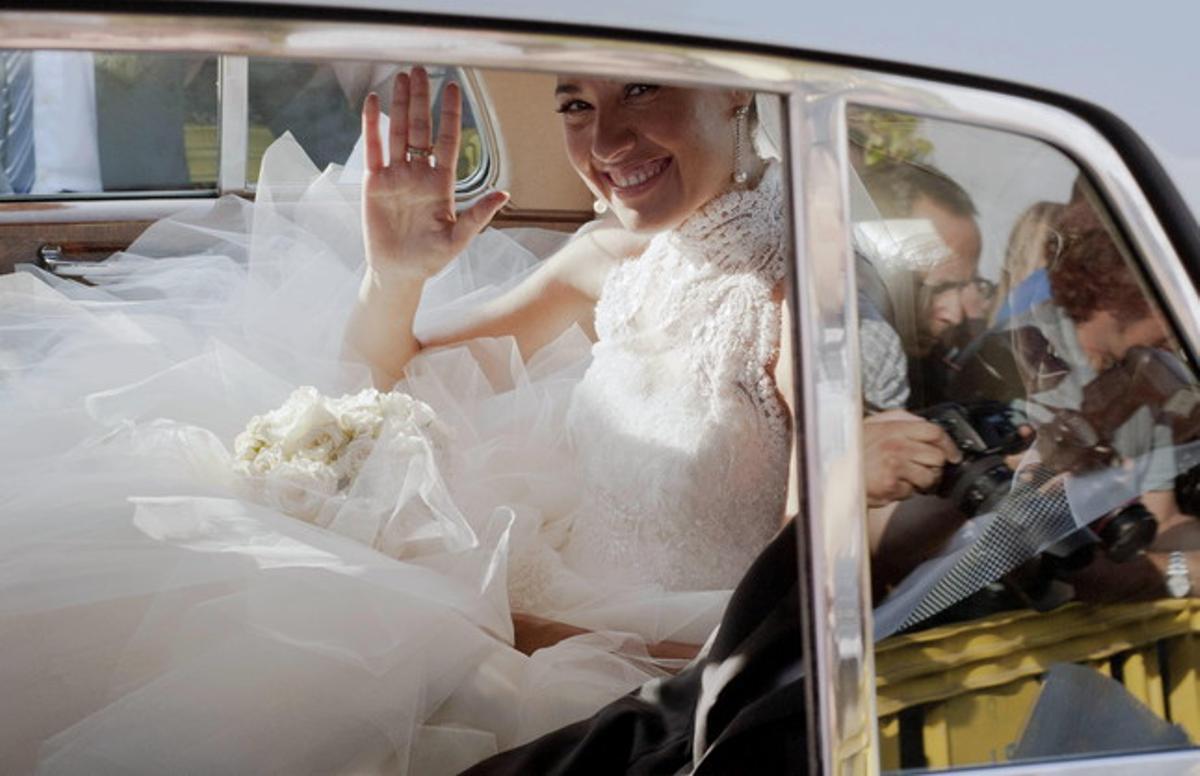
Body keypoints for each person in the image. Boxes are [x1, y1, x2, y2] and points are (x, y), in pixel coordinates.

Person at [0, 67, 849, 774]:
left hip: (669, 670)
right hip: (542, 592)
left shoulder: (805, 293)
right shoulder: (607, 257)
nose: (602, 144)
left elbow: (803, 616)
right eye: (575, 105)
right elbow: (387, 376)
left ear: (739, 91)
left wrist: (534, 634)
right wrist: (396, 274)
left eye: (637, 90)